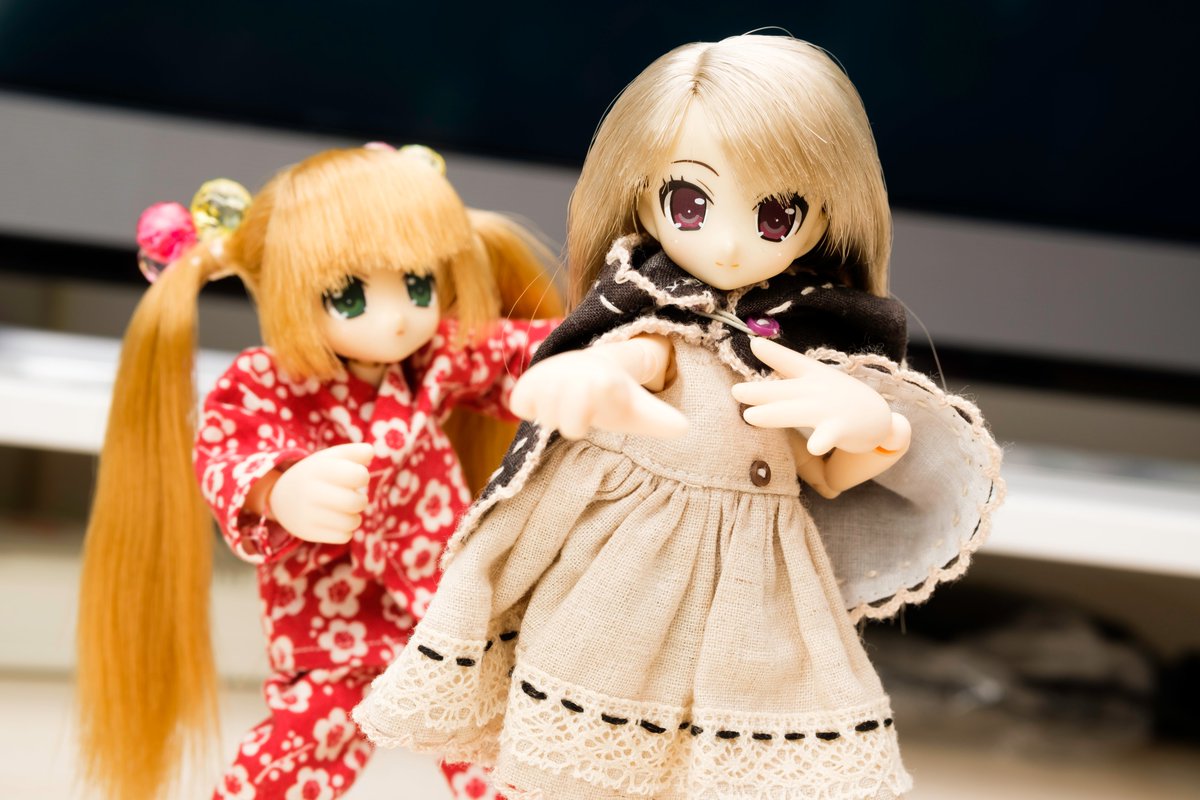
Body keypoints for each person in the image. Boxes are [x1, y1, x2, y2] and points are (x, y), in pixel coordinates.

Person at [355, 35, 1003, 799]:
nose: (726, 243)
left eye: (775, 214)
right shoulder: (649, 311)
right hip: (629, 579)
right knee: (593, 758)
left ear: (828, 214)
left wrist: (877, 428)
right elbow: (638, 356)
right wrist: (587, 377)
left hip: (755, 587)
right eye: (690, 204)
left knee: (746, 758)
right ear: (641, 195)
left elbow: (828, 474)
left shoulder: (810, 336)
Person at [76, 145, 562, 800]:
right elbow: (227, 457)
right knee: (300, 746)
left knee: (499, 745)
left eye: (417, 285)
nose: (398, 316)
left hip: (447, 607)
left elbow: (519, 352)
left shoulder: (433, 359)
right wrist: (280, 490)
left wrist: (608, 354)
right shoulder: (263, 383)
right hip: (331, 622)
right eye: (349, 294)